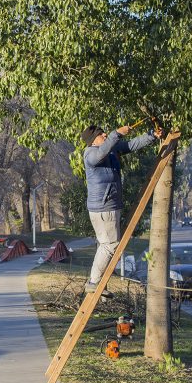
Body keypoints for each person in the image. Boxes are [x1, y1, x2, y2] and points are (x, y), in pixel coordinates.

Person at [80, 123, 158, 298]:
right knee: (110, 245)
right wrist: (117, 133)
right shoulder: (91, 153)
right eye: (102, 134)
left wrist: (152, 135)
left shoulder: (110, 150)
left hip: (107, 206)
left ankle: (98, 282)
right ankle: (94, 282)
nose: (105, 135)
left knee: (105, 244)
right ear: (94, 140)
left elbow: (131, 145)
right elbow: (101, 153)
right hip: (104, 207)